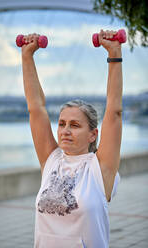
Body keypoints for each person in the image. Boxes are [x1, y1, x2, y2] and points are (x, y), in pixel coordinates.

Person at [21, 29, 123, 248]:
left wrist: (114, 53)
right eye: (62, 124)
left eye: (75, 125)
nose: (65, 131)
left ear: (92, 134)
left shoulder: (99, 169)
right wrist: (27, 56)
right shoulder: (52, 160)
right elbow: (35, 109)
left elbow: (114, 111)